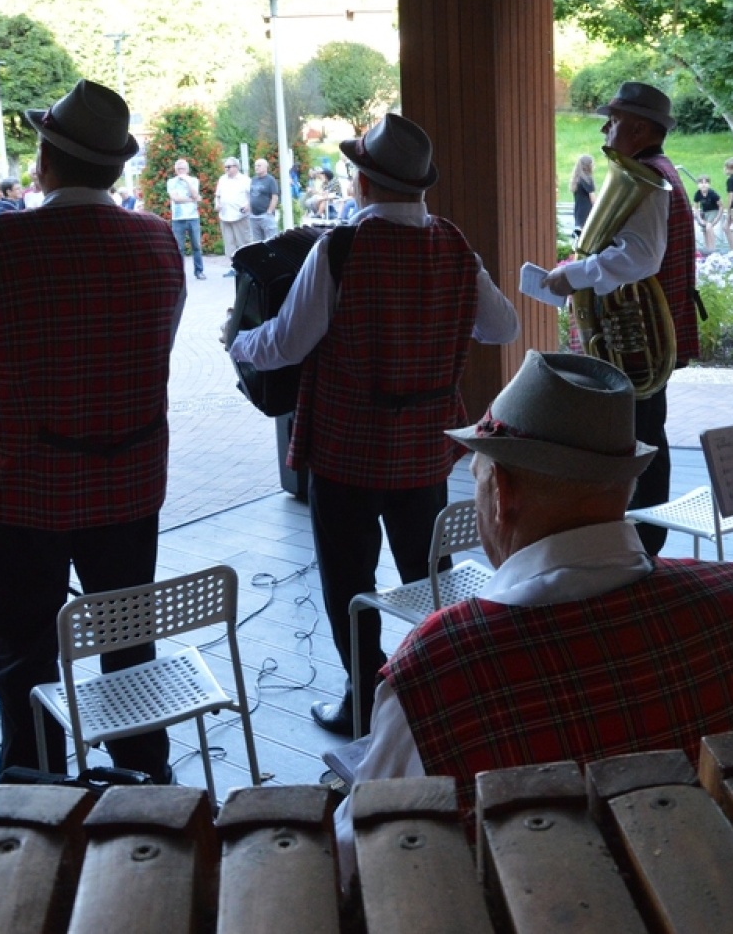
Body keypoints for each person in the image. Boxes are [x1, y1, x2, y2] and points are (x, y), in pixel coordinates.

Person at [336, 350, 733, 880]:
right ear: (625, 483)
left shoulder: (435, 668)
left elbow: (356, 860)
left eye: (478, 475)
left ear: (502, 494)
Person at [0, 79, 186, 780]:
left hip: (22, 491)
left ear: (45, 159)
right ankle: (148, 775)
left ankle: (37, 783)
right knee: (129, 641)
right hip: (130, 485)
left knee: (24, 652)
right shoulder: (160, 240)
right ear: (114, 168)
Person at [224, 112, 520, 738]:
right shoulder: (455, 246)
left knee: (349, 581)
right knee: (427, 576)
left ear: (362, 181)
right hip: (424, 450)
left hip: (346, 449)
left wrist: (239, 344)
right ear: (419, 186)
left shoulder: (342, 248)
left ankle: (364, 696)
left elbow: (288, 342)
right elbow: (503, 328)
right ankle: (435, 686)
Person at [542, 82, 703, 557]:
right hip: (644, 341)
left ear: (637, 129)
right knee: (645, 434)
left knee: (637, 440)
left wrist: (575, 274)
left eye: (612, 122)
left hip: (639, 346)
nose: (605, 131)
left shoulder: (648, 179)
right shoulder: (659, 172)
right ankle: (642, 541)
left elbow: (639, 258)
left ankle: (639, 545)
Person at [166, 158, 205, 280]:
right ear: (175, 170)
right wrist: (192, 200)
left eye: (182, 168)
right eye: (178, 168)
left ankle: (199, 271)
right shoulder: (171, 182)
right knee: (179, 248)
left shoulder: (193, 180)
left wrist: (187, 181)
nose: (180, 170)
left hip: (193, 217)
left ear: (187, 169)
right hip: (178, 219)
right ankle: (179, 273)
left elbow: (195, 194)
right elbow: (176, 199)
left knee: (197, 246)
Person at [214, 157, 252, 274]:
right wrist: (217, 204)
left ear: (236, 167)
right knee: (229, 242)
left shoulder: (245, 180)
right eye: (225, 167)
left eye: (229, 167)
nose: (226, 169)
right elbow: (218, 195)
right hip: (225, 216)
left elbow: (252, 195)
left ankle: (246, 267)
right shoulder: (222, 179)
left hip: (240, 216)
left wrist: (248, 206)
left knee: (243, 242)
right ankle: (233, 267)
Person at [248, 158, 281, 243]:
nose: (256, 168)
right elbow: (251, 195)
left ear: (265, 167)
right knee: (257, 243)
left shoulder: (270, 180)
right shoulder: (253, 179)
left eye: (259, 166)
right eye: (255, 166)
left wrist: (269, 212)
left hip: (265, 215)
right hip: (254, 216)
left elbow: (275, 197)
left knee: (271, 241)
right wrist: (250, 210)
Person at [693, 175, 722, 252]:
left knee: (709, 227)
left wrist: (717, 218)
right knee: (704, 229)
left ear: (709, 184)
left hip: (714, 211)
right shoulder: (698, 194)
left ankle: (713, 248)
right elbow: (695, 207)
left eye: (706, 183)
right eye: (701, 183)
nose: (703, 185)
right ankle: (707, 248)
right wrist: (700, 219)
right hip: (704, 212)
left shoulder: (712, 193)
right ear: (698, 185)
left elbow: (721, 206)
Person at [570, 154, 596, 237]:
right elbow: (593, 199)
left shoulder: (577, 179)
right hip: (587, 212)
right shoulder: (587, 179)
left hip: (578, 211)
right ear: (588, 166)